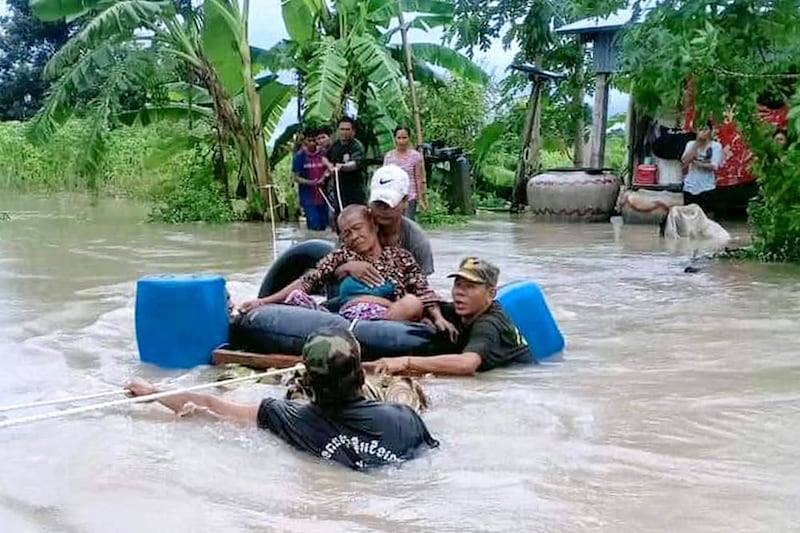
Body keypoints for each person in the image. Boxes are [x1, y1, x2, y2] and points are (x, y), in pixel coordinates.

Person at [125, 327, 439, 471]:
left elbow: (211, 406)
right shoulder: (405, 417)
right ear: (360, 376)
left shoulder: (288, 416)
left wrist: (153, 393)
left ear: (306, 383)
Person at [237, 205, 453, 329]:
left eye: (358, 228)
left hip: (386, 319)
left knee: (412, 303)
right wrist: (263, 301)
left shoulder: (400, 257)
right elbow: (307, 280)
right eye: (346, 233)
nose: (354, 237)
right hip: (343, 318)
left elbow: (422, 289)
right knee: (295, 299)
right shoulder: (341, 256)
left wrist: (438, 317)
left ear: (374, 226)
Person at [371, 257, 534, 376]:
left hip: (515, 382)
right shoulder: (457, 310)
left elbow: (467, 364)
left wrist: (405, 362)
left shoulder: (489, 323)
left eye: (470, 287)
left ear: (491, 293)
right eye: (458, 285)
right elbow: (417, 303)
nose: (459, 292)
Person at [335, 165, 435, 289]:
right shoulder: (354, 231)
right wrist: (347, 267)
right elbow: (327, 272)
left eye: (388, 204)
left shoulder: (417, 241)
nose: (383, 210)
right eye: (378, 203)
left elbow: (421, 288)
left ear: (405, 202)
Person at [326, 116, 366, 217]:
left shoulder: (357, 146)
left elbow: (355, 164)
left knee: (355, 217)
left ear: (353, 131)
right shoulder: (335, 145)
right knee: (339, 217)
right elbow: (325, 158)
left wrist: (342, 166)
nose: (344, 132)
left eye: (347, 129)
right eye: (342, 129)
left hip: (355, 189)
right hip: (338, 189)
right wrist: (329, 166)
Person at [383, 125, 427, 219]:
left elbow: (418, 177)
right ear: (395, 138)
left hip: (410, 196)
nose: (401, 141)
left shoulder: (415, 156)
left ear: (409, 138)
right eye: (399, 138)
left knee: (408, 223)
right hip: (393, 196)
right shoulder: (389, 157)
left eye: (404, 138)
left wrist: (419, 198)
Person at [681, 120, 723, 213]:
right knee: (689, 216)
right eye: (700, 129)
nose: (703, 132)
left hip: (707, 187)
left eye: (706, 129)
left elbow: (714, 166)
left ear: (710, 131)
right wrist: (697, 144)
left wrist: (698, 164)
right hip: (690, 187)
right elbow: (685, 161)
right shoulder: (690, 144)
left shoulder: (716, 146)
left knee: (706, 218)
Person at [292, 127, 329, 231]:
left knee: (324, 225)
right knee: (314, 224)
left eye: (314, 140)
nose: (312, 143)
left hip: (323, 195)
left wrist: (323, 178)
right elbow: (296, 177)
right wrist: (311, 183)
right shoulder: (300, 157)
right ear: (304, 141)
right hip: (308, 197)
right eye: (309, 140)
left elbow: (330, 168)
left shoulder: (323, 153)